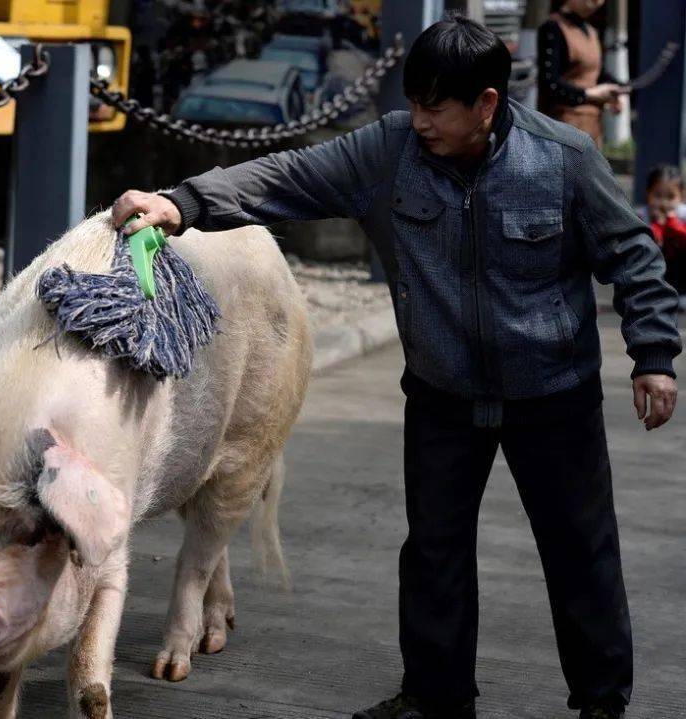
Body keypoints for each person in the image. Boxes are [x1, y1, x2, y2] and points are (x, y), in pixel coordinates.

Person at [113, 15, 680, 719]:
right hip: (443, 397)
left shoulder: (563, 159)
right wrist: (182, 204)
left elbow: (634, 256)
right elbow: (286, 176)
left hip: (552, 396)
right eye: (411, 103)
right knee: (434, 557)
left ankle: (601, 702)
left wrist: (654, 354)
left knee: (580, 556)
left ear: (487, 104)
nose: (418, 121)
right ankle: (436, 699)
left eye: (434, 106)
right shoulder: (389, 153)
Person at [537, 0, 626, 148]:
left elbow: (597, 73)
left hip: (593, 127)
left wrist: (616, 91)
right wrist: (590, 94)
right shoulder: (553, 27)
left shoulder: (591, 30)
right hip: (564, 127)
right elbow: (549, 83)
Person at [638, 164, 686, 301]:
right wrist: (657, 224)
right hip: (655, 271)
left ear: (681, 196)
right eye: (658, 195)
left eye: (670, 197)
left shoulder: (682, 214)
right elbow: (649, 244)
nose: (664, 203)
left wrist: (671, 221)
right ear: (648, 193)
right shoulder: (642, 215)